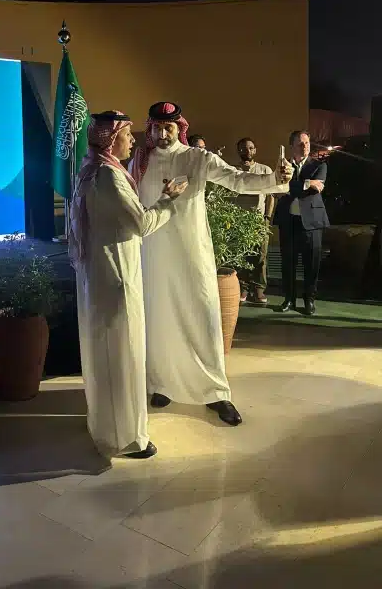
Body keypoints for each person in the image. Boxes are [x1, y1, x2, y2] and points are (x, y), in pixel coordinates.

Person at [129, 102, 292, 426]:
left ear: (179, 128)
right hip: (154, 254)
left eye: (168, 128)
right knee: (159, 319)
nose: (162, 134)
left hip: (192, 253)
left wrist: (276, 178)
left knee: (202, 317)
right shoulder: (140, 161)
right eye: (157, 128)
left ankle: (216, 392)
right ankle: (162, 383)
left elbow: (237, 180)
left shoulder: (197, 158)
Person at [69, 110, 187, 459]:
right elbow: (141, 223)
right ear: (110, 139)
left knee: (105, 353)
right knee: (123, 353)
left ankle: (104, 424)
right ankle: (126, 438)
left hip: (99, 275)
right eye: (127, 135)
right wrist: (168, 201)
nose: (134, 141)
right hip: (117, 277)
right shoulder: (108, 175)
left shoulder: (91, 168)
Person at [273, 129, 329, 315]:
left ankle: (309, 300)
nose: (304, 146)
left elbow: (316, 189)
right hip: (288, 221)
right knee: (288, 263)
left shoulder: (319, 165)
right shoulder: (283, 166)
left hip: (311, 223)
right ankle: (289, 299)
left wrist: (290, 186)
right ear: (292, 146)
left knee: (311, 264)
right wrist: (306, 183)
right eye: (300, 143)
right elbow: (276, 187)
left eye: (307, 143)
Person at [232, 137, 274, 306]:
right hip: (239, 220)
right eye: (243, 148)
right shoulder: (233, 170)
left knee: (260, 255)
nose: (247, 151)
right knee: (240, 254)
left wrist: (267, 217)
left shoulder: (264, 170)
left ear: (255, 150)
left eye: (250, 148)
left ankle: (258, 288)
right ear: (238, 151)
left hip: (259, 219)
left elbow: (271, 195)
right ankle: (242, 287)